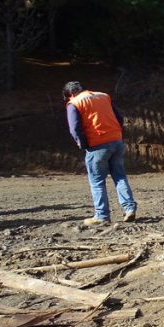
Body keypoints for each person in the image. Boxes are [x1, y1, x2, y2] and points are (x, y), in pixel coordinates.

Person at [62, 81, 138, 225]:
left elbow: (75, 129)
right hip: (116, 141)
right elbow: (119, 118)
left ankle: (102, 215)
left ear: (70, 94)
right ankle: (129, 208)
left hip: (97, 145)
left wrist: (84, 145)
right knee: (120, 177)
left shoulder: (74, 103)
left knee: (97, 182)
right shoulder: (103, 96)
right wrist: (116, 134)